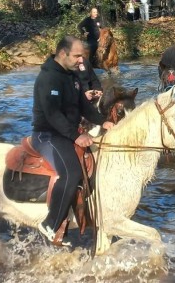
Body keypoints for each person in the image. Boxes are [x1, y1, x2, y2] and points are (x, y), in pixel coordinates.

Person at [33, 36, 115, 243]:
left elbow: (84, 107)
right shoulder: (48, 79)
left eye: (82, 56)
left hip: (66, 132)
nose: (81, 61)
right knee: (72, 172)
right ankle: (50, 223)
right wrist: (77, 136)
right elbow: (53, 115)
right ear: (63, 53)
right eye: (77, 56)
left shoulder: (72, 77)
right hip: (48, 134)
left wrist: (103, 121)